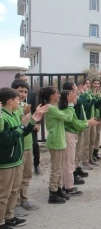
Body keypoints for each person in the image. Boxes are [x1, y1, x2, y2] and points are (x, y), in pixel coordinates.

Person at [0, 87, 46, 228]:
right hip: (6, 162)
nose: (19, 101)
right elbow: (6, 139)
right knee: (3, 194)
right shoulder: (2, 117)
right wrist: (21, 125)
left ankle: (9, 216)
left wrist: (32, 121)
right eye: (16, 99)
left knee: (14, 191)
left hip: (16, 160)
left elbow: (22, 133)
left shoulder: (13, 114)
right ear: (10, 101)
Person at [39, 87, 77, 204]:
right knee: (56, 169)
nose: (59, 95)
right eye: (57, 93)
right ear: (51, 96)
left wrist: (70, 105)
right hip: (55, 142)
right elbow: (68, 117)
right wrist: (70, 104)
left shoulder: (53, 108)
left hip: (59, 141)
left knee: (59, 168)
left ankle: (58, 189)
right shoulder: (50, 108)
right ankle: (53, 193)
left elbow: (64, 114)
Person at [59, 89, 99, 196]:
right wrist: (88, 123)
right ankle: (68, 187)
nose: (76, 98)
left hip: (69, 136)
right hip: (69, 137)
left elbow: (76, 122)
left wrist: (87, 122)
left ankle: (65, 185)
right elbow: (76, 125)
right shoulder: (68, 109)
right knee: (69, 163)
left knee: (67, 162)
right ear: (68, 98)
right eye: (73, 96)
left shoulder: (67, 109)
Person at [11, 80, 40, 218]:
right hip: (18, 147)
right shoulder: (13, 107)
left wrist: (35, 120)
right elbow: (18, 126)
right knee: (17, 178)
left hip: (28, 145)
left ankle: (24, 199)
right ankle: (15, 204)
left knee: (27, 175)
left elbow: (27, 128)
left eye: (25, 92)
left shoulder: (24, 106)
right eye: (20, 91)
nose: (23, 94)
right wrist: (24, 113)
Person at [63, 81, 90, 184]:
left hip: (79, 125)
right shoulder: (70, 100)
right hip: (75, 128)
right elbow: (82, 101)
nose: (77, 89)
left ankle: (77, 168)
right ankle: (72, 174)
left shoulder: (75, 98)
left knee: (79, 150)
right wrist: (83, 92)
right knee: (74, 153)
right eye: (74, 87)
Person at [14, 73, 41, 175]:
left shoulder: (31, 94)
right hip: (20, 134)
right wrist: (23, 114)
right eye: (23, 80)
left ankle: (37, 165)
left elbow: (34, 108)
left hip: (31, 124)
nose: (23, 94)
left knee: (35, 145)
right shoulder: (11, 105)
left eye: (26, 80)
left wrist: (36, 122)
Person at [89, 79, 101, 162]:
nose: (97, 85)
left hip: (99, 116)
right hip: (93, 117)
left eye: (98, 84)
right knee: (92, 136)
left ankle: (96, 151)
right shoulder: (90, 93)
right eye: (95, 83)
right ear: (92, 84)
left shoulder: (100, 93)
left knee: (98, 134)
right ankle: (91, 154)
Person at [81, 79, 98, 170]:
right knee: (86, 141)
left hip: (92, 119)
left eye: (89, 83)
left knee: (92, 139)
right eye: (86, 83)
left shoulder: (90, 94)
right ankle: (85, 160)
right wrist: (94, 98)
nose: (88, 84)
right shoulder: (83, 95)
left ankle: (90, 158)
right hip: (87, 120)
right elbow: (87, 106)